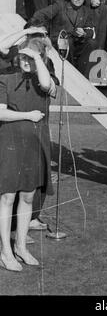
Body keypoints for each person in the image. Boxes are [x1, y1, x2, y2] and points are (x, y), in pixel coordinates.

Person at [0, 36, 56, 271]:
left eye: (30, 57)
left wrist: (36, 57)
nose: (25, 61)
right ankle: (5, 251)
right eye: (23, 56)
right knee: (7, 197)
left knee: (28, 196)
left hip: (35, 144)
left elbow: (46, 86)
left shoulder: (45, 79)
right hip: (11, 142)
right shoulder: (5, 79)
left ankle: (21, 247)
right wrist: (27, 116)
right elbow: (0, 113)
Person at [28, 0, 95, 74]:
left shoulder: (85, 11)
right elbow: (40, 15)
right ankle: (70, 73)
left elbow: (91, 30)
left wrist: (84, 33)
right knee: (68, 42)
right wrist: (40, 28)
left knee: (91, 43)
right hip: (58, 41)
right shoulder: (59, 6)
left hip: (77, 42)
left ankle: (82, 74)